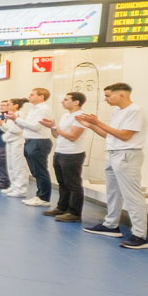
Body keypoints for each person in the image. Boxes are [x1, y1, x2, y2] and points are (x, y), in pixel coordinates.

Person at [77, 83, 148, 249]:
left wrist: (97, 121)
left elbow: (125, 135)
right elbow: (108, 134)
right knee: (113, 192)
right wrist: (91, 125)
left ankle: (140, 235)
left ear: (122, 95)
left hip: (127, 155)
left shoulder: (135, 110)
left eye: (109, 96)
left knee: (132, 196)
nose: (106, 99)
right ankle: (111, 225)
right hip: (113, 153)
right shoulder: (116, 111)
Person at [41, 92, 90, 222]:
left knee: (73, 184)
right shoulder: (66, 116)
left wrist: (56, 128)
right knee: (62, 182)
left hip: (72, 154)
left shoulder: (80, 117)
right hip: (60, 152)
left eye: (66, 100)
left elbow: (73, 136)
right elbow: (57, 135)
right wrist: (52, 127)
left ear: (76, 102)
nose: (63, 102)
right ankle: (62, 207)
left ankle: (74, 213)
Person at [17, 88, 55, 207]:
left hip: (39, 141)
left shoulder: (44, 109)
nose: (29, 96)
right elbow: (27, 126)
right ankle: (40, 195)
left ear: (41, 97)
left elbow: (35, 127)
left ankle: (44, 198)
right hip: (31, 141)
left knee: (40, 170)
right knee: (35, 171)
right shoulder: (33, 109)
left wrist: (17, 119)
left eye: (32, 94)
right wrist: (16, 120)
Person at [0, 97, 30, 198]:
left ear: (16, 105)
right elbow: (8, 129)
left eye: (8, 104)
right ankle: (14, 186)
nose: (6, 106)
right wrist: (2, 124)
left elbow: (18, 130)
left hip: (17, 142)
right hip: (10, 141)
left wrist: (4, 124)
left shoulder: (19, 115)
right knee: (11, 166)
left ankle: (21, 189)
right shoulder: (10, 115)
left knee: (18, 166)